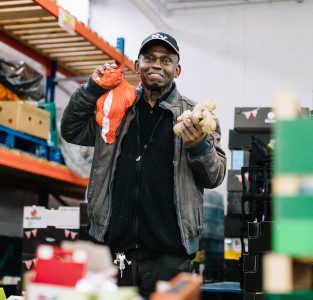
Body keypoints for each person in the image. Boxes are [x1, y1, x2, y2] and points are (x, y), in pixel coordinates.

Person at [61, 32, 226, 296]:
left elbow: (215, 175)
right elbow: (71, 130)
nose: (157, 65)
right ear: (137, 66)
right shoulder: (115, 107)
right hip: (113, 244)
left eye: (166, 60)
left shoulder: (197, 117)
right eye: (149, 58)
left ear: (177, 69)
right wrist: (91, 89)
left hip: (171, 250)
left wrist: (198, 146)